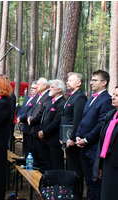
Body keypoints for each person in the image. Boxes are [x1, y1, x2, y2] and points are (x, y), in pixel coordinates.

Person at [75, 70, 114, 200]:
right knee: (89, 183)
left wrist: (86, 140)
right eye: (91, 79)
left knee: (96, 183)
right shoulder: (92, 98)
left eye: (95, 80)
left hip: (94, 148)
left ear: (104, 83)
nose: (91, 82)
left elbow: (101, 125)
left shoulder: (107, 100)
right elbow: (84, 120)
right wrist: (78, 136)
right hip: (84, 147)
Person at [59, 72, 87, 200]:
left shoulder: (80, 97)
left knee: (76, 170)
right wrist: (62, 137)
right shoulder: (71, 97)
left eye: (70, 80)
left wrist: (71, 138)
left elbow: (77, 120)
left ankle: (77, 195)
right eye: (67, 80)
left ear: (78, 83)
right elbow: (65, 118)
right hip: (67, 139)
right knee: (70, 168)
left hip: (74, 141)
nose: (67, 82)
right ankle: (71, 193)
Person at [93, 86, 118, 200]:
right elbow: (103, 141)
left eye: (117, 96)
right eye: (113, 94)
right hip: (108, 162)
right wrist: (100, 164)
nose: (113, 97)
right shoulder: (111, 114)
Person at [38, 79, 66, 170]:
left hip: (54, 141)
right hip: (45, 139)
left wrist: (44, 132)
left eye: (52, 87)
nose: (49, 89)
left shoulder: (62, 103)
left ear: (59, 90)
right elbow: (44, 118)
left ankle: (57, 184)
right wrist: (41, 131)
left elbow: (56, 122)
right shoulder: (50, 102)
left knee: (56, 165)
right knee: (47, 164)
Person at [27, 77, 52, 171]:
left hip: (39, 129)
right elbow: (31, 109)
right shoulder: (38, 96)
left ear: (45, 86)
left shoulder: (48, 96)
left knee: (42, 157)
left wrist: (32, 120)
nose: (36, 86)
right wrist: (29, 117)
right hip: (33, 130)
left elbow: (42, 112)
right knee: (35, 154)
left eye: (38, 84)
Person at [17, 81, 38, 157]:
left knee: (30, 148)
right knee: (25, 147)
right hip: (23, 127)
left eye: (34, 88)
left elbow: (30, 111)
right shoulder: (28, 98)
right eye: (31, 88)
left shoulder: (37, 99)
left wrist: (22, 118)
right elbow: (21, 108)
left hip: (29, 127)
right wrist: (18, 117)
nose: (31, 89)